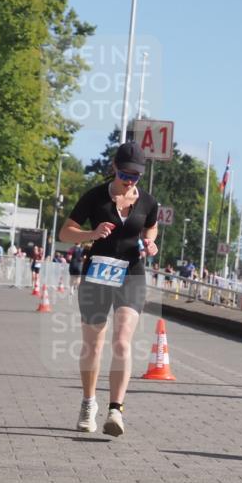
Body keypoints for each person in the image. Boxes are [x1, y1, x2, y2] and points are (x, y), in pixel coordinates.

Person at [59, 142, 159, 437]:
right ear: (115, 167)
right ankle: (89, 404)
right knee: (93, 344)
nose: (130, 181)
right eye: (126, 174)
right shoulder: (95, 197)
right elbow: (65, 233)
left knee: (123, 341)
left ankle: (116, 409)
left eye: (136, 177)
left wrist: (151, 242)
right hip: (97, 273)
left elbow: (150, 228)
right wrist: (92, 233)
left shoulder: (149, 201)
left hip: (131, 274)